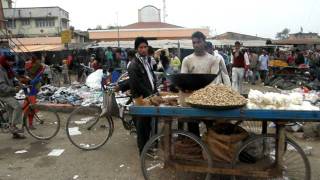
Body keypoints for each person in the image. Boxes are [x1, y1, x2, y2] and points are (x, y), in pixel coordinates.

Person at [181, 31, 230, 136]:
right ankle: (196, 146)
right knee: (193, 130)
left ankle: (210, 145)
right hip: (192, 99)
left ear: (204, 42)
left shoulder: (213, 60)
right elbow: (183, 79)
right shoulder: (187, 60)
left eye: (198, 42)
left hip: (209, 100)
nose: (196, 45)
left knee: (211, 128)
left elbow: (213, 81)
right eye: (194, 43)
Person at [127, 37, 157, 154]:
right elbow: (136, 84)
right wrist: (150, 94)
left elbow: (150, 77)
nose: (144, 49)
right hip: (141, 99)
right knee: (142, 127)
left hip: (148, 97)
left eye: (145, 47)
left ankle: (147, 148)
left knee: (147, 124)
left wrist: (154, 90)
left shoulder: (147, 61)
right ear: (136, 49)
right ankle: (143, 151)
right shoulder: (134, 65)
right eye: (141, 47)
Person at [0, 55, 26, 139]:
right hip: (3, 94)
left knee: (11, 112)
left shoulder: (7, 69)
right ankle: (13, 126)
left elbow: (13, 78)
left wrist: (19, 83)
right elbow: (2, 86)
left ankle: (15, 134)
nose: (12, 63)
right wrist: (13, 89)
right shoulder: (1, 70)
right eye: (10, 61)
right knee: (17, 106)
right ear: (6, 61)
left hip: (9, 93)